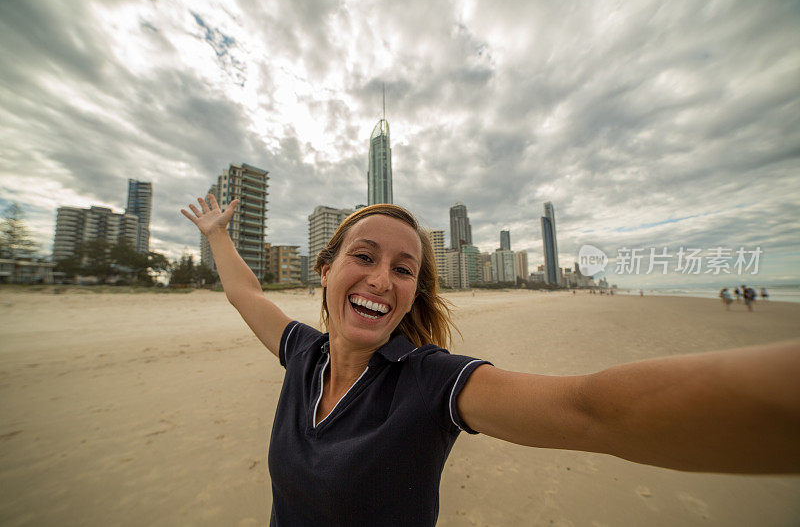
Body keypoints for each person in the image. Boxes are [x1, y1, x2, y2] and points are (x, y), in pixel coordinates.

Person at [182, 195, 800, 526]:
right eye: (363, 256)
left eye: (403, 269)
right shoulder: (302, 353)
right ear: (326, 270)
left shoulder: (430, 381)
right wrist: (216, 234)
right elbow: (246, 293)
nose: (380, 279)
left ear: (412, 293)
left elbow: (591, 412)